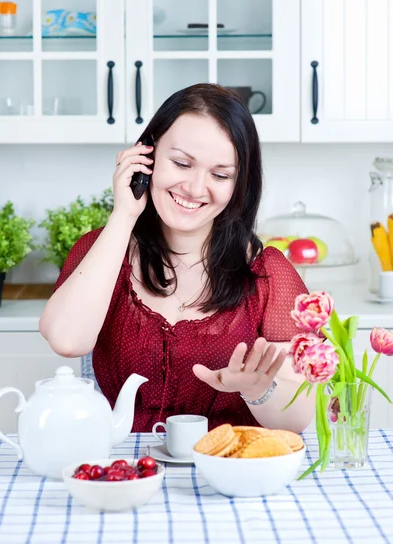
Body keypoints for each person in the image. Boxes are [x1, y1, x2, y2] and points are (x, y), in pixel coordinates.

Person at [39, 83, 315, 433]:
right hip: (128, 468)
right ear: (147, 156)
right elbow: (67, 340)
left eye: (220, 174)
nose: (196, 188)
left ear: (239, 184)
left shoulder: (268, 272)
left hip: (228, 467)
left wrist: (258, 388)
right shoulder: (104, 248)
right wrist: (124, 215)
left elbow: (298, 418)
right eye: (182, 163)